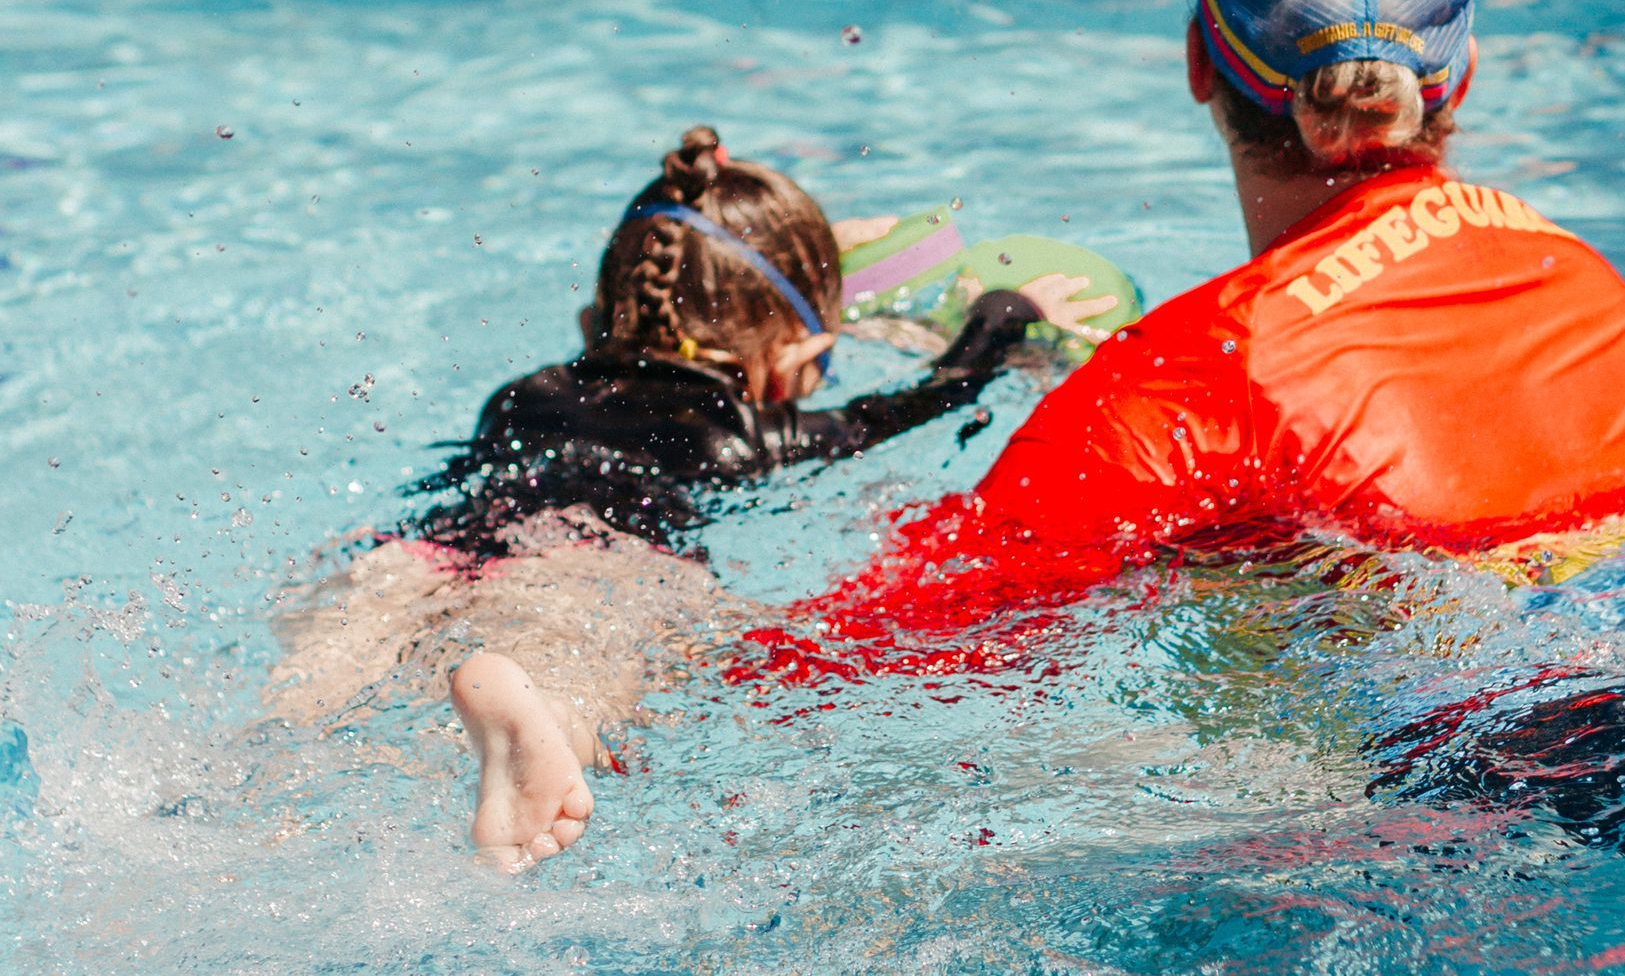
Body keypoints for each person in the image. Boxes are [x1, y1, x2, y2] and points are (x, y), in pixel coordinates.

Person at [796, 0, 1625, 654]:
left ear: (1199, 60)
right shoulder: (1582, 278)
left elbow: (852, 658)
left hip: (1427, 775)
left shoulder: (1183, 383)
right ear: (1462, 75)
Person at [269, 126, 1113, 867]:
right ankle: (533, 707)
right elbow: (935, 394)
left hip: (413, 554)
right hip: (590, 567)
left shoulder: (523, 392)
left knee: (301, 713)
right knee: (579, 674)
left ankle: (264, 808)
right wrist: (1005, 318)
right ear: (794, 362)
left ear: (598, 315)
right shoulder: (743, 430)